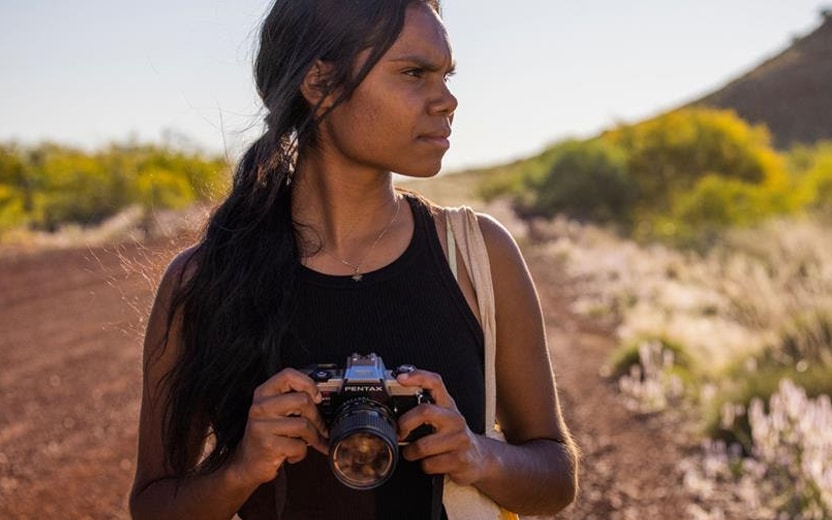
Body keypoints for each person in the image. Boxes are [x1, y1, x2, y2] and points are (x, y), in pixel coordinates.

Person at [129, 0, 578, 518]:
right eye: (414, 73)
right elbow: (153, 505)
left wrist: (479, 455)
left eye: (447, 75)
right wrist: (240, 471)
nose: (448, 100)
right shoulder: (203, 283)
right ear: (320, 83)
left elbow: (557, 477)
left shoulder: (478, 255)